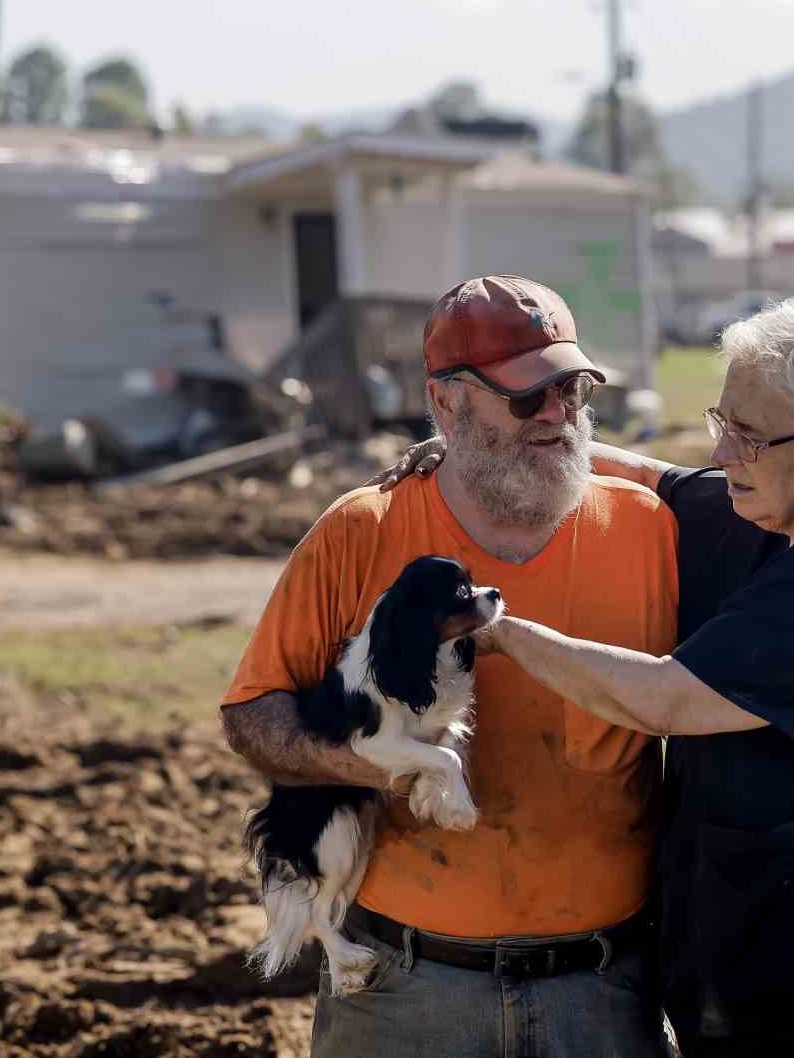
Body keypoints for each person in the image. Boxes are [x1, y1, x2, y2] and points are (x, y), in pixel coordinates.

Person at [380, 290, 794, 1057]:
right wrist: (483, 449)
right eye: (723, 424)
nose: (723, 455)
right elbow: (660, 480)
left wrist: (495, 626)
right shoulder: (786, 506)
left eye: (748, 436)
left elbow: (666, 699)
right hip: (790, 976)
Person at [220, 274, 680, 1058]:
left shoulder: (652, 531)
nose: (559, 414)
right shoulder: (362, 530)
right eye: (528, 398)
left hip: (604, 994)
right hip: (404, 991)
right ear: (447, 405)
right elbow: (252, 714)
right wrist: (376, 764)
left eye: (572, 389)